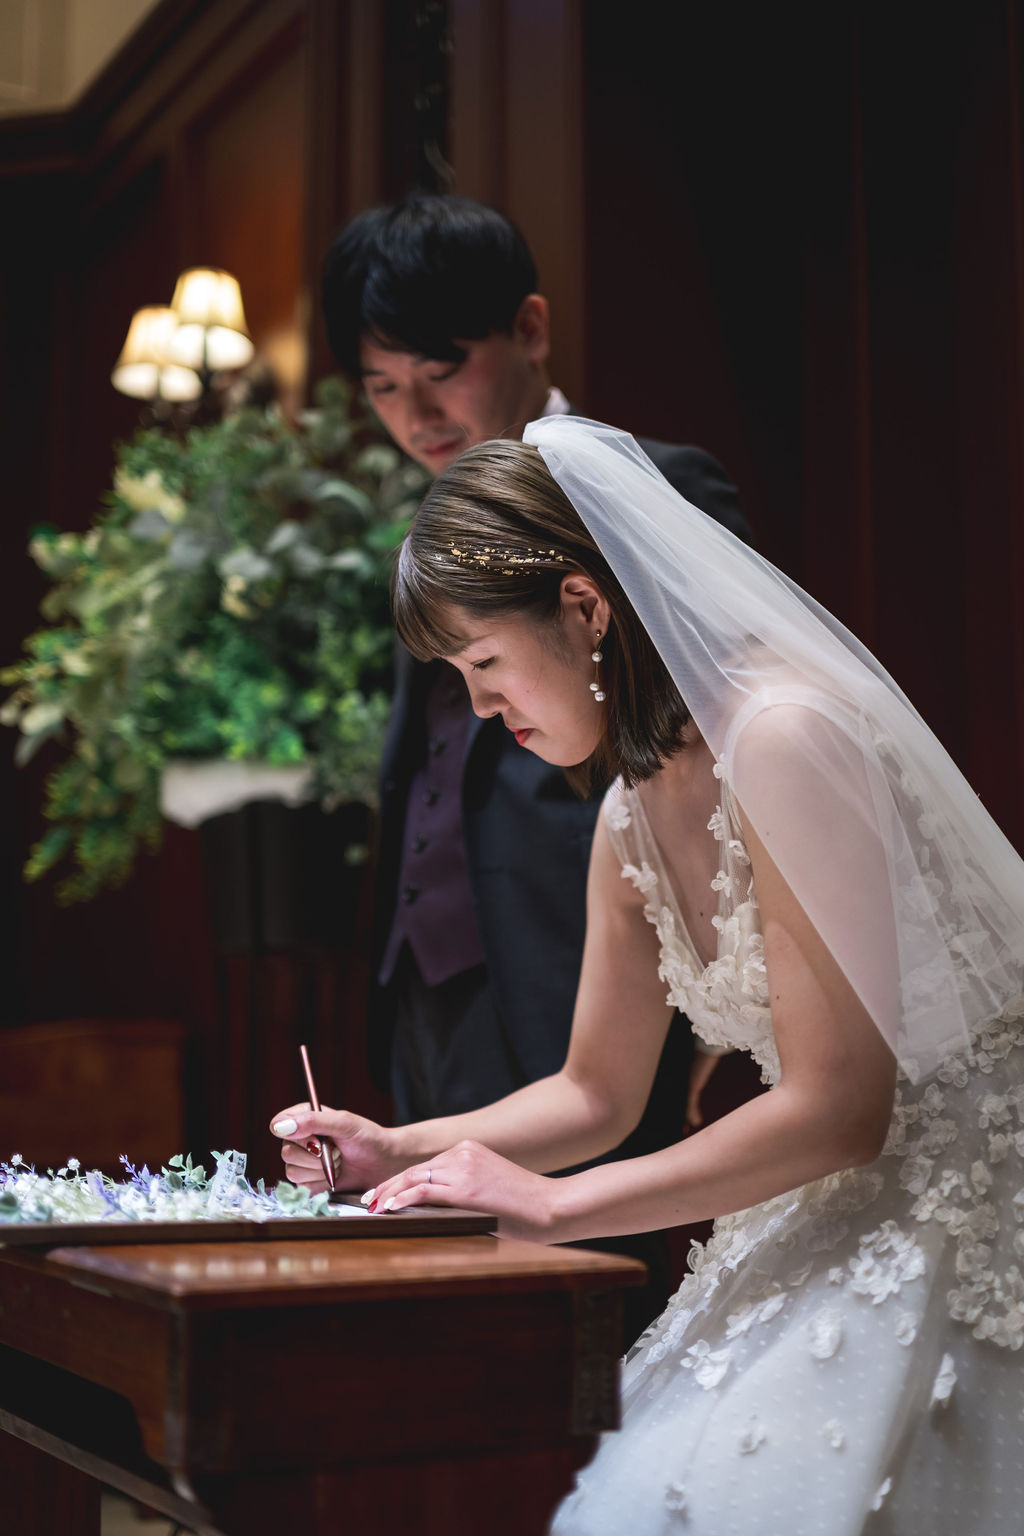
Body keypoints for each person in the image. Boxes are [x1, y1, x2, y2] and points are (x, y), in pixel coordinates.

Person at [272, 416, 1024, 1533]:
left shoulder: (783, 736)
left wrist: (551, 1205)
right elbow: (596, 1090)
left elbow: (841, 1108)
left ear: (584, 607)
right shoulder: (627, 810)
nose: (479, 708)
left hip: (964, 1198)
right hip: (841, 1187)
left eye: (484, 662)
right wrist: (399, 1149)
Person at [321, 193, 751, 1338]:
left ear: (529, 329)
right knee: (435, 1318)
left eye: (439, 370)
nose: (414, 414)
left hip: (581, 981)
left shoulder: (657, 490)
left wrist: (714, 1009)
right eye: (380, 387)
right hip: (428, 988)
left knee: (587, 1330)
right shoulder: (429, 526)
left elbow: (723, 772)